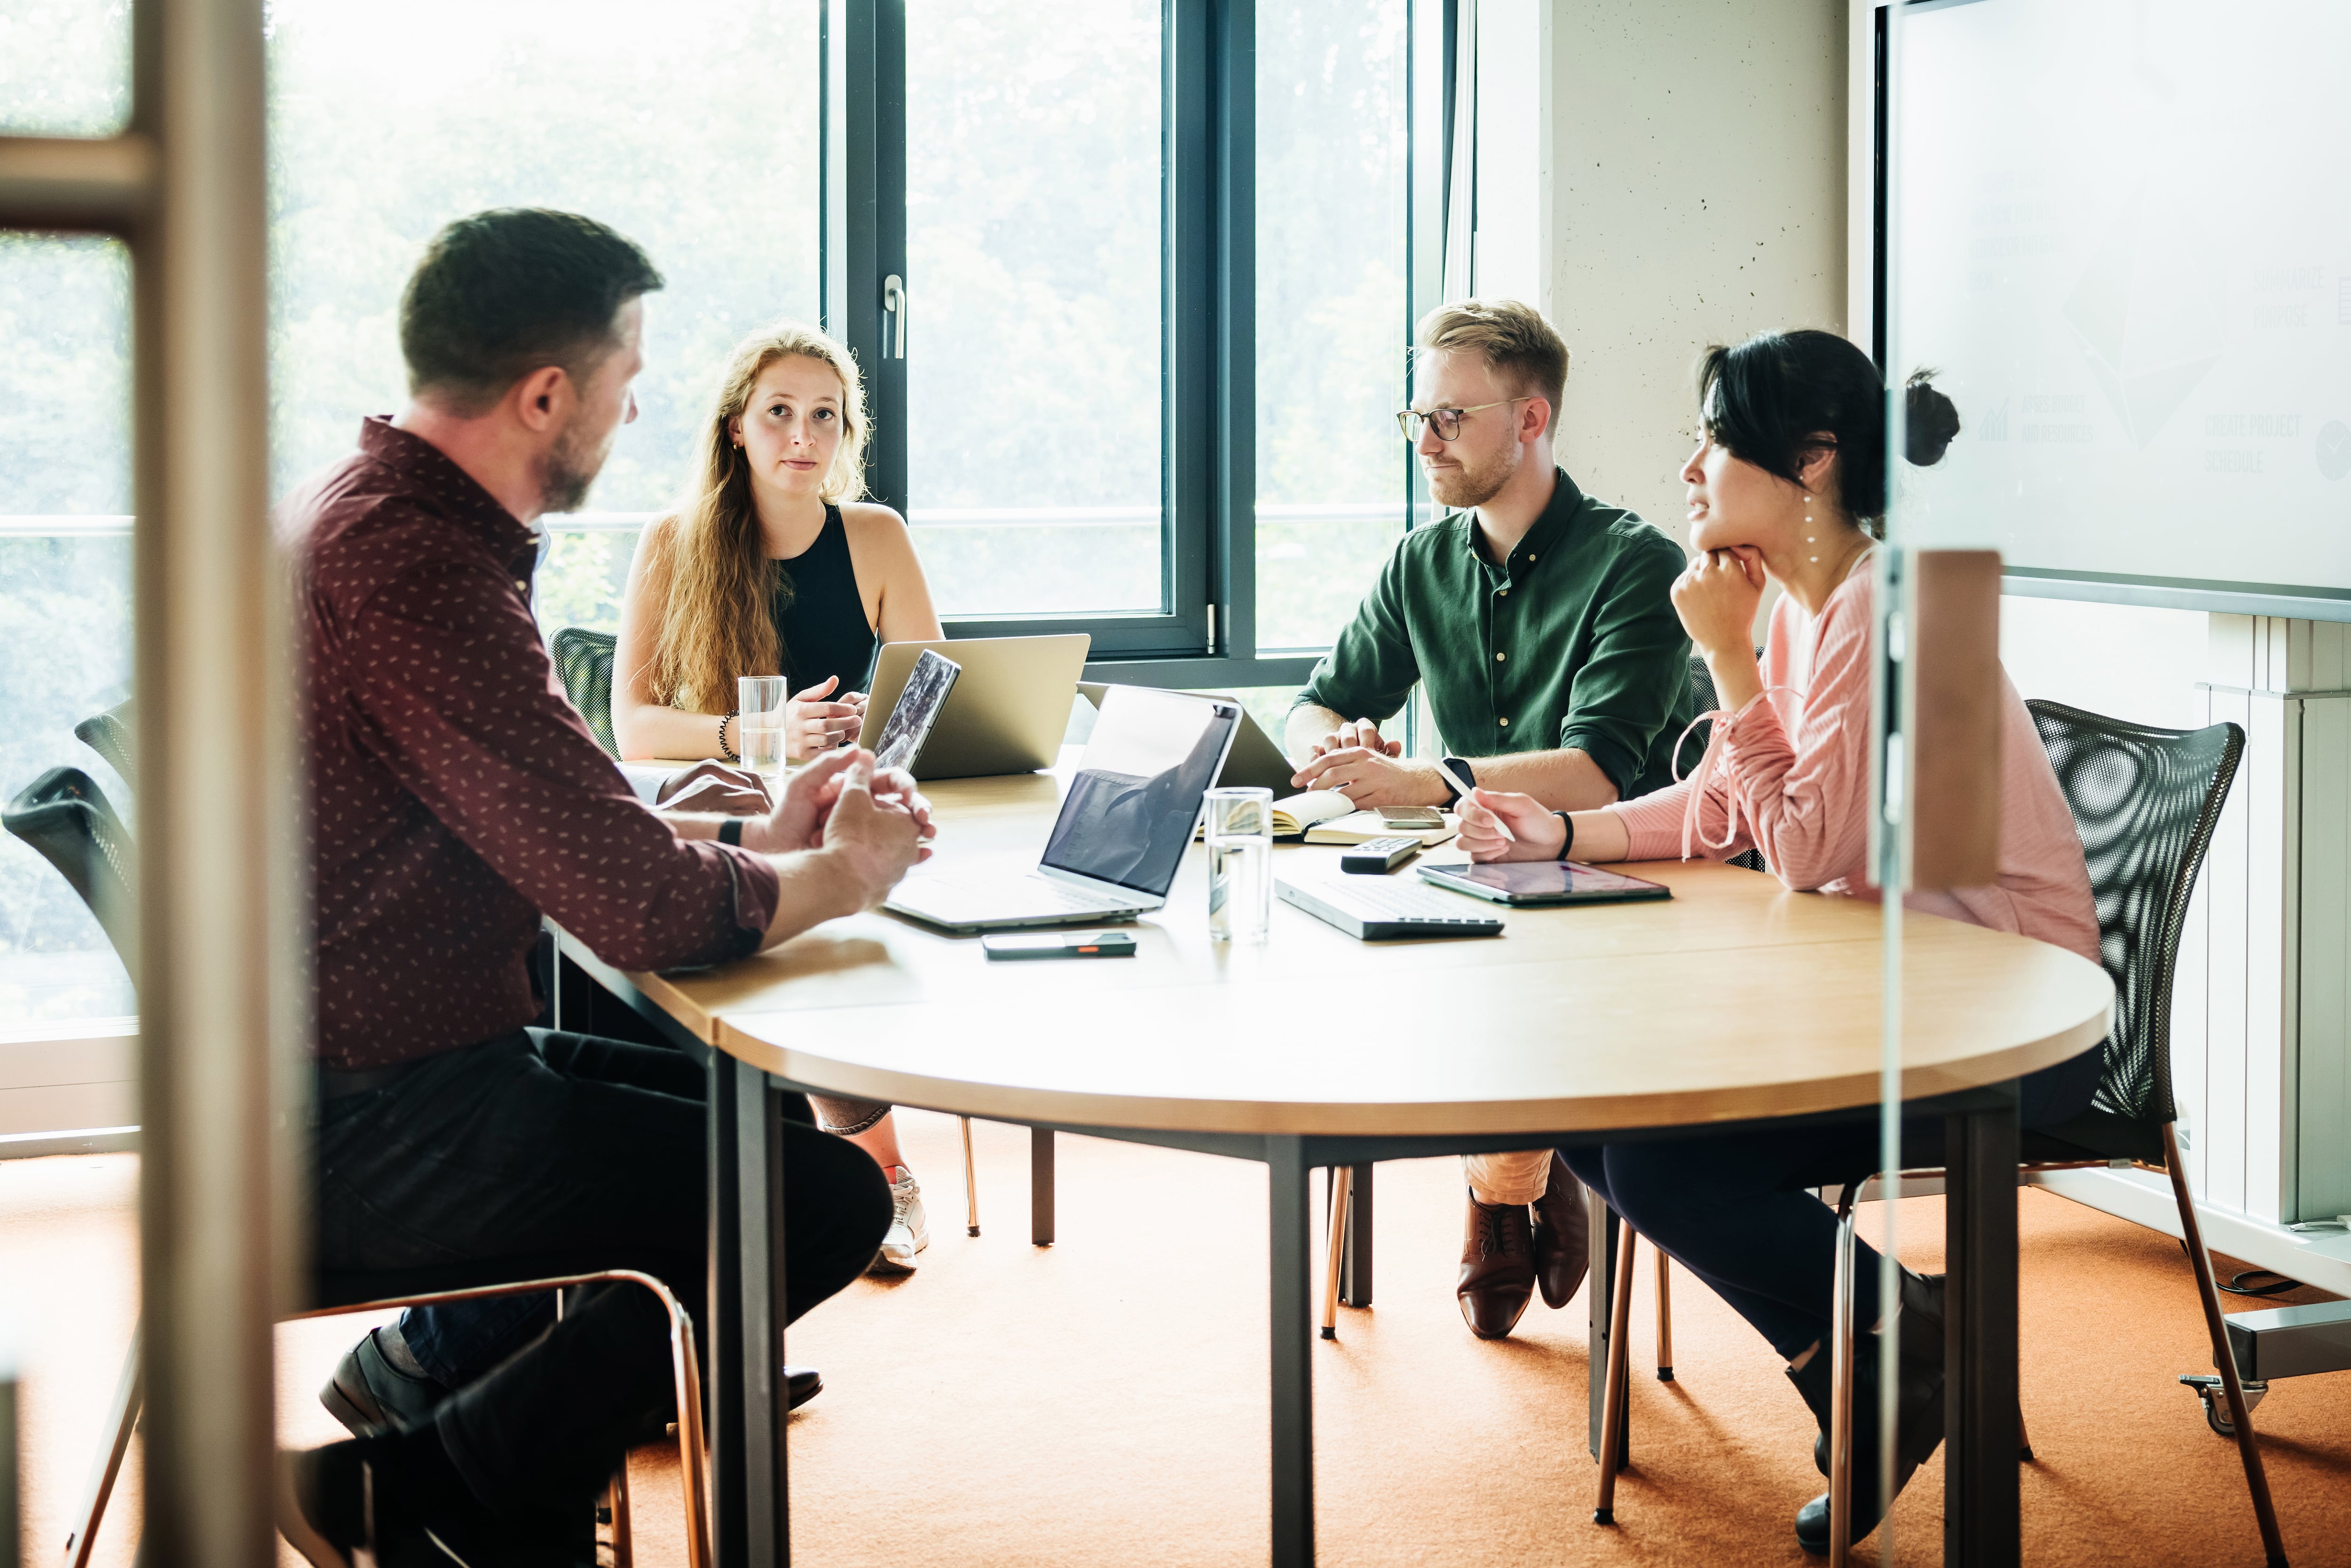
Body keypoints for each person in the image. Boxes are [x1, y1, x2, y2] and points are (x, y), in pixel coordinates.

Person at [280, 208, 935, 1567]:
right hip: (370, 1119)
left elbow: (556, 813)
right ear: (545, 397)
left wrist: (757, 844)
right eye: (626, 387)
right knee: (821, 1201)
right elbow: (639, 909)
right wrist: (839, 871)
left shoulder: (372, 517)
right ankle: (431, 1491)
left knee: (737, 1097)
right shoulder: (419, 565)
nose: (633, 418)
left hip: (357, 1060)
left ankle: (426, 1370)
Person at [1453, 328, 2101, 1556]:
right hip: (1890, 992)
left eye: (1713, 437)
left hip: (2004, 1024)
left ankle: (1881, 1358)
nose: (1689, 468)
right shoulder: (1804, 599)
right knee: (1600, 1117)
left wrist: (1727, 658)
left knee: (1659, 1161)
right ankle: (1873, 1358)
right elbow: (1723, 808)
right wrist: (1567, 829)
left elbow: (1802, 850)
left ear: (1809, 462)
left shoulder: (1894, 608)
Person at [1285, 299, 1694, 1341]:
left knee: (1493, 980)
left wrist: (1433, 779)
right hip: (1475, 869)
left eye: (1450, 419)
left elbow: (1600, 772)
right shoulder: (1420, 561)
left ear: (1530, 419)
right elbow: (1315, 699)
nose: (1425, 442)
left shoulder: (1635, 564)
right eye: (1415, 418)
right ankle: (1522, 1167)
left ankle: (1498, 1187)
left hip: (1625, 888)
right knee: (1355, 948)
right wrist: (1334, 749)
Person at [611, 321, 947, 1270]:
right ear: (736, 429)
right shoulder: (674, 541)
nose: (804, 436)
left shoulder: (875, 536)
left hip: (839, 793)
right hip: (722, 802)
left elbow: (928, 690)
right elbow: (633, 724)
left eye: (825, 417)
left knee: (872, 906)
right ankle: (877, 1168)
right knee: (808, 930)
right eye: (780, 414)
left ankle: (857, 1167)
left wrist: (872, 755)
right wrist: (756, 736)